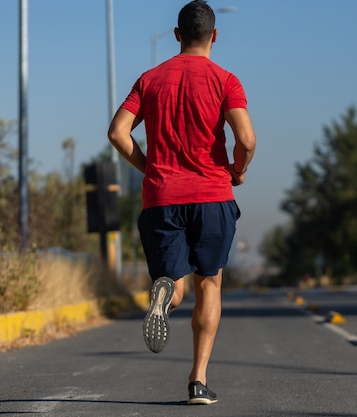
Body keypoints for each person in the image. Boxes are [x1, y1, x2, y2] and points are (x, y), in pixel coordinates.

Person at [107, 0, 255, 406]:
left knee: (174, 285)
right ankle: (198, 380)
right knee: (210, 283)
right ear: (215, 35)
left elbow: (118, 132)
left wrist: (148, 165)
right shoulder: (226, 80)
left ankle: (164, 296)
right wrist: (236, 170)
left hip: (161, 197)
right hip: (211, 195)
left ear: (176, 35)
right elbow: (246, 139)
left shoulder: (150, 79)